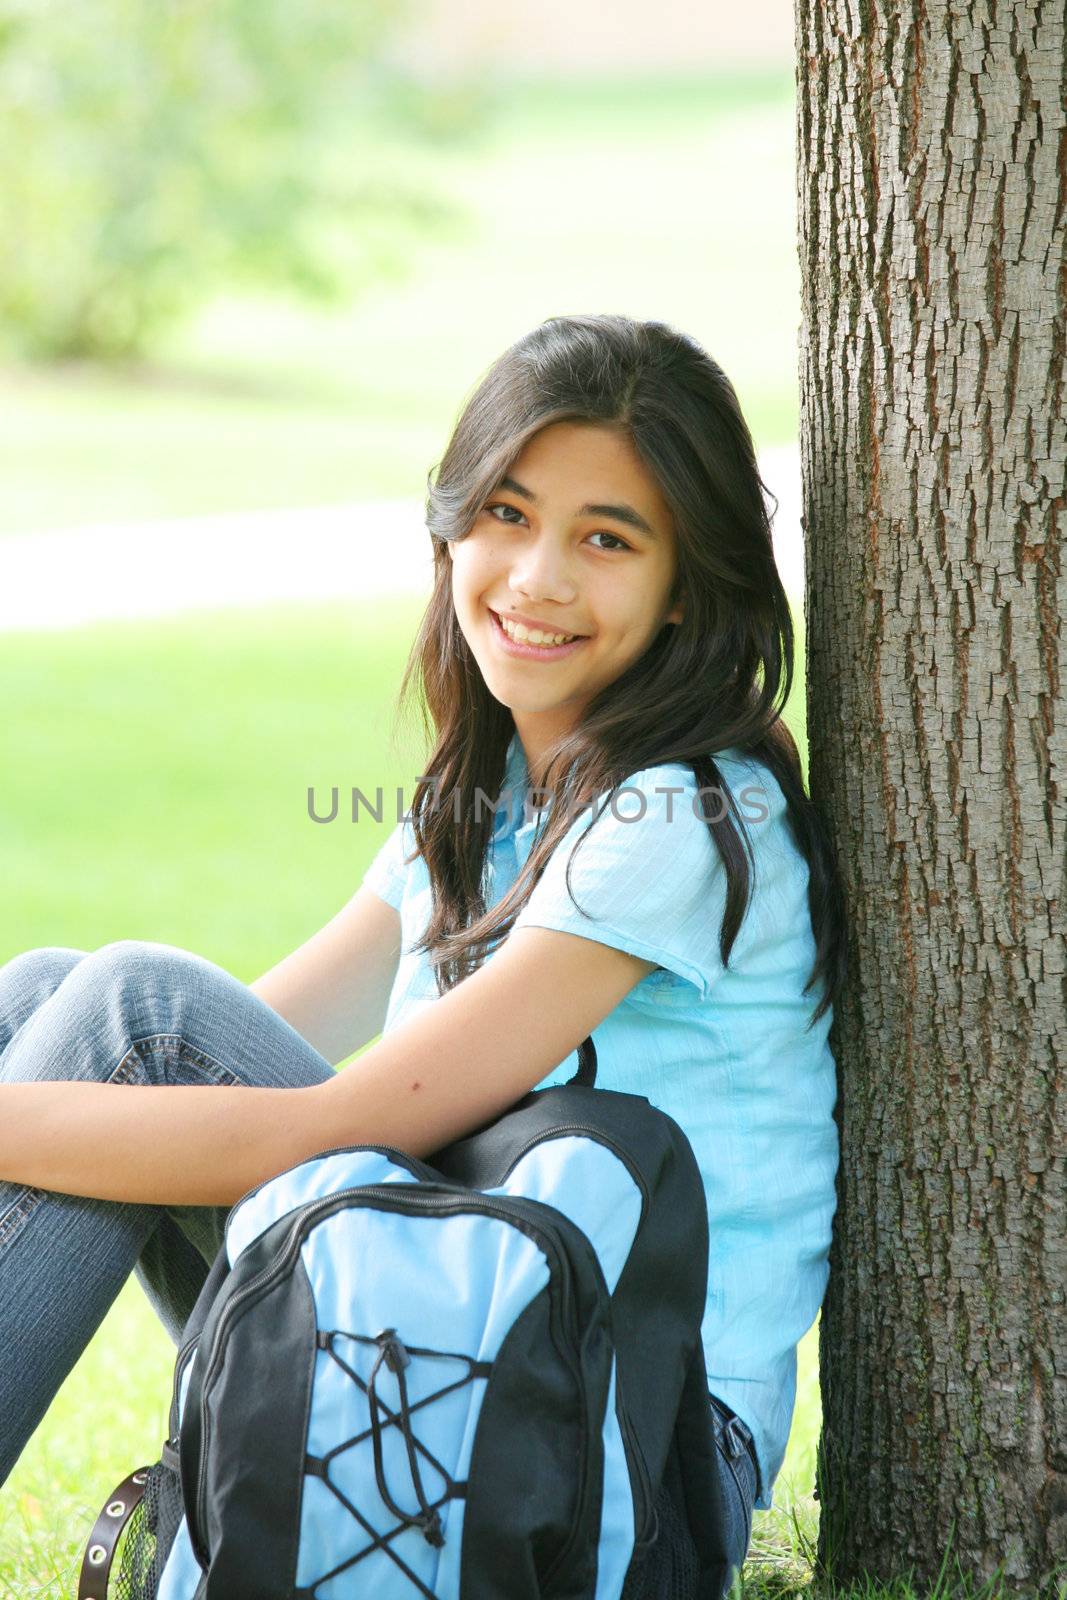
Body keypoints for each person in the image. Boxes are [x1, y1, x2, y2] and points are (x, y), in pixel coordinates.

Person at [0, 313, 846, 1594]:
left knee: (125, 1009)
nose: (536, 576)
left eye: (604, 539)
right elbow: (226, 1050)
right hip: (477, 1353)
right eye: (504, 514)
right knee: (62, 994)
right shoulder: (489, 790)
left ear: (686, 584)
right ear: (450, 526)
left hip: (636, 1450)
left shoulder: (677, 818)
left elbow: (312, 1115)